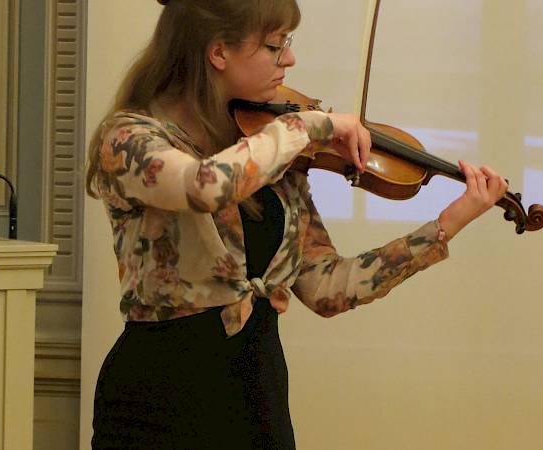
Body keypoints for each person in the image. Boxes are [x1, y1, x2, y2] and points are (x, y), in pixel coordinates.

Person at [85, 0, 508, 448]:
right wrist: (307, 126)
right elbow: (204, 186)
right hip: (157, 402)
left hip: (255, 399)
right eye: (275, 46)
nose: (289, 59)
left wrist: (445, 226)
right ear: (219, 51)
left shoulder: (268, 149)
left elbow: (328, 288)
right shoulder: (129, 140)